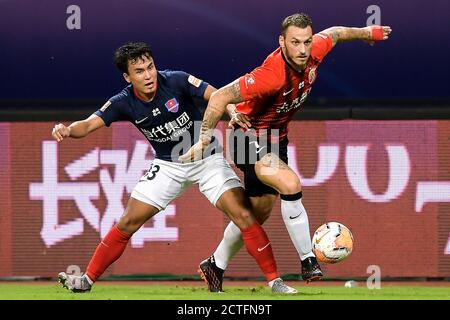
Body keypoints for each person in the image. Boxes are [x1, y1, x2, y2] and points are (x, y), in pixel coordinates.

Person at [53, 42, 297, 294]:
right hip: (168, 166)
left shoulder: (176, 80)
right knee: (128, 221)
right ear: (127, 76)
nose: (148, 75)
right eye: (139, 71)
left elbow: (218, 95)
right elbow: (89, 124)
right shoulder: (122, 102)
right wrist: (68, 130)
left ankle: (274, 282)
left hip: (207, 159)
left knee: (244, 215)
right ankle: (86, 281)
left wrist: (233, 111)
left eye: (150, 67)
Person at [180, 13, 392, 292]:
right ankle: (308, 261)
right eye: (295, 43)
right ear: (282, 42)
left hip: (275, 139)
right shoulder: (270, 75)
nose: (303, 49)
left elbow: (337, 32)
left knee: (256, 214)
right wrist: (205, 138)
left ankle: (214, 265)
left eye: (306, 41)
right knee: (290, 183)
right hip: (246, 136)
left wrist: (367, 33)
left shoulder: (315, 48)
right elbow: (220, 97)